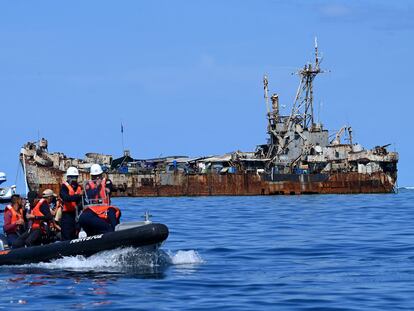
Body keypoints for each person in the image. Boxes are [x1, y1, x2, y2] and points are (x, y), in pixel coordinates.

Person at [60, 166, 83, 240]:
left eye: (76, 177)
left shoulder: (79, 187)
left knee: (77, 232)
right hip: (67, 215)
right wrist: (78, 196)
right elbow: (66, 198)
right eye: (73, 177)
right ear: (68, 178)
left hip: (78, 214)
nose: (75, 180)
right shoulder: (64, 187)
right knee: (67, 234)